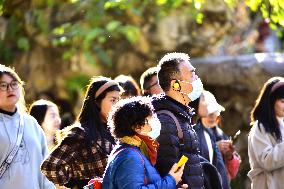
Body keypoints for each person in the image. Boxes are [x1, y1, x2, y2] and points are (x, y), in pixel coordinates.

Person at [41, 76, 122, 189]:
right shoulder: (80, 133)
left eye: (118, 100)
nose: (117, 105)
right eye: (113, 100)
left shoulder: (117, 132)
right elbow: (50, 166)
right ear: (97, 102)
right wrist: (76, 184)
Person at [103, 96, 186, 188]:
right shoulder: (129, 156)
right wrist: (171, 180)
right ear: (137, 127)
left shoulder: (133, 150)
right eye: (150, 118)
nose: (155, 120)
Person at [152, 52, 207, 188]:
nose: (197, 78)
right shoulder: (165, 121)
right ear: (176, 85)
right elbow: (168, 172)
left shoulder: (181, 116)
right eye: (192, 74)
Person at [0, 64, 55, 189]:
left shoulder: (31, 123)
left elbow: (45, 169)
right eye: (3, 85)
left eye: (14, 84)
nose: (10, 89)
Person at [194, 91, 238, 188]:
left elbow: (233, 172)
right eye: (209, 113)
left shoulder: (221, 135)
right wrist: (216, 148)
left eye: (215, 113)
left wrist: (230, 156)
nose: (212, 116)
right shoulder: (196, 133)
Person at [248, 77, 284, 189]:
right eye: (283, 101)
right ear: (271, 101)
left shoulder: (281, 123)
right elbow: (267, 161)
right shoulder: (260, 127)